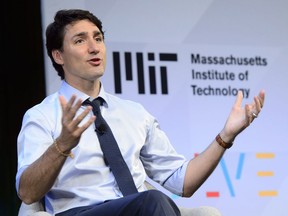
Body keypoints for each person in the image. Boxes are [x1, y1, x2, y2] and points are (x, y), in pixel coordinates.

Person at [16, 9, 265, 216]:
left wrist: (226, 136)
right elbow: (28, 193)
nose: (94, 48)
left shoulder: (134, 113)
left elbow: (183, 183)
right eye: (80, 40)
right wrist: (62, 145)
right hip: (80, 212)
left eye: (98, 38)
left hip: (139, 209)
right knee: (152, 201)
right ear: (58, 55)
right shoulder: (42, 116)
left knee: (159, 204)